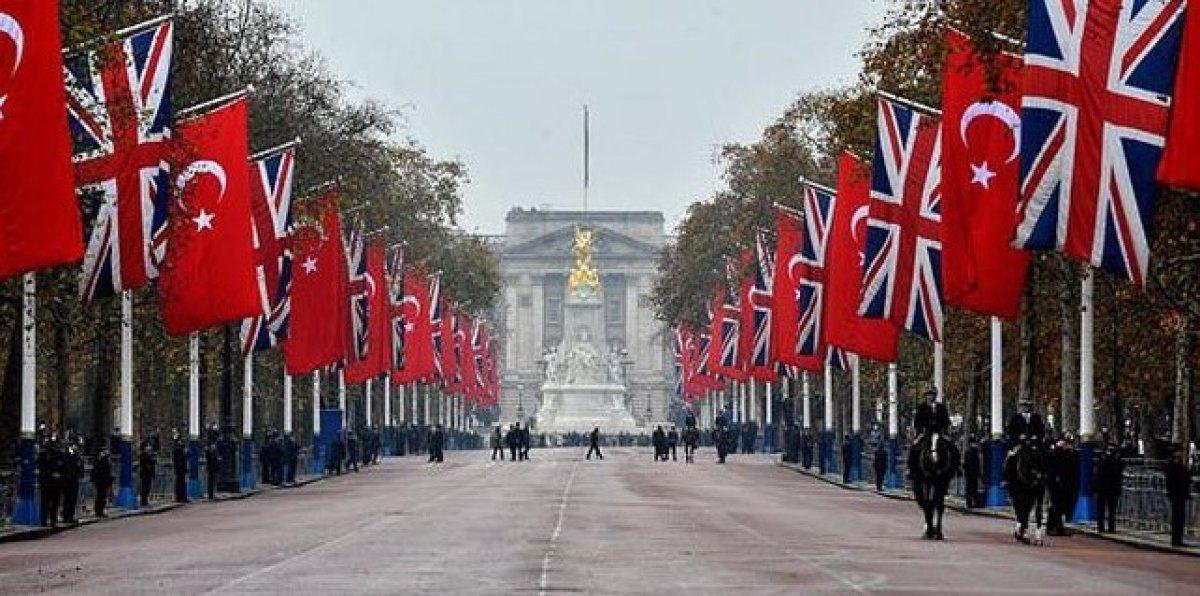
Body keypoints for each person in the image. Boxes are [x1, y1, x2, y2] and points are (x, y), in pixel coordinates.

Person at [1095, 442, 1125, 533]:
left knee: (1101, 508)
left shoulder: (1101, 462)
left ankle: (1101, 527)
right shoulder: (1117, 463)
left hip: (1102, 488)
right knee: (1111, 509)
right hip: (1112, 488)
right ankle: (1111, 527)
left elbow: (1097, 475)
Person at [1165, 449, 1192, 547]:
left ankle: (1178, 539)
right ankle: (1175, 539)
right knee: (1177, 518)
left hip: (1181, 495)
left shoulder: (1181, 466)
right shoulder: (1172, 467)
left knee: (1180, 518)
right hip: (1176, 495)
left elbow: (1187, 478)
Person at [37, 436, 62, 527]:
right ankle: (44, 520)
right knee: (45, 502)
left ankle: (52, 520)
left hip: (55, 483)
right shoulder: (43, 455)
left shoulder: (58, 454)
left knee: (54, 502)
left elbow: (61, 467)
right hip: (47, 482)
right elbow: (42, 468)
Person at [60, 439, 83, 524]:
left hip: (74, 480)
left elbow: (80, 466)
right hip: (67, 480)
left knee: (73, 499)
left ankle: (70, 516)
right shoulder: (67, 455)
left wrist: (80, 473)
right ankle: (66, 516)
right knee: (67, 499)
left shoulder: (77, 455)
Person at [91, 447, 114, 517]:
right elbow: (96, 470)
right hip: (100, 480)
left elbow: (109, 470)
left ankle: (101, 510)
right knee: (100, 496)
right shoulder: (98, 460)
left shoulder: (107, 459)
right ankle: (98, 511)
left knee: (103, 496)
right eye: (104, 451)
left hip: (105, 480)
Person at [963, 437, 981, 508]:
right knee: (973, 488)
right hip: (972, 473)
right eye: (974, 443)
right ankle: (973, 503)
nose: (975, 444)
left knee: (970, 488)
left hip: (970, 473)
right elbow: (975, 463)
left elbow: (965, 463)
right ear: (971, 444)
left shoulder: (969, 451)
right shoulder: (973, 452)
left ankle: (970, 503)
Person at [171, 432, 188, 503]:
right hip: (179, 467)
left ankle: (183, 497)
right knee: (179, 482)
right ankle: (179, 497)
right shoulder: (176, 448)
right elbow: (176, 458)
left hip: (182, 467)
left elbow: (186, 456)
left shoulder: (181, 448)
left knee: (182, 482)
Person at [138, 441, 157, 507]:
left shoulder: (150, 455)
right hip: (145, 473)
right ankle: (143, 501)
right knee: (144, 487)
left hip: (149, 474)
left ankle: (145, 501)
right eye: (148, 447)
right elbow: (144, 464)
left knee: (148, 487)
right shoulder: (143, 455)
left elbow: (153, 464)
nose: (149, 448)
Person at [204, 434, 221, 500]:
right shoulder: (210, 450)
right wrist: (217, 458)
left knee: (212, 481)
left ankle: (211, 494)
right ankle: (210, 495)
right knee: (211, 481)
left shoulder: (210, 449)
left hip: (212, 467)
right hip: (212, 467)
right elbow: (212, 458)